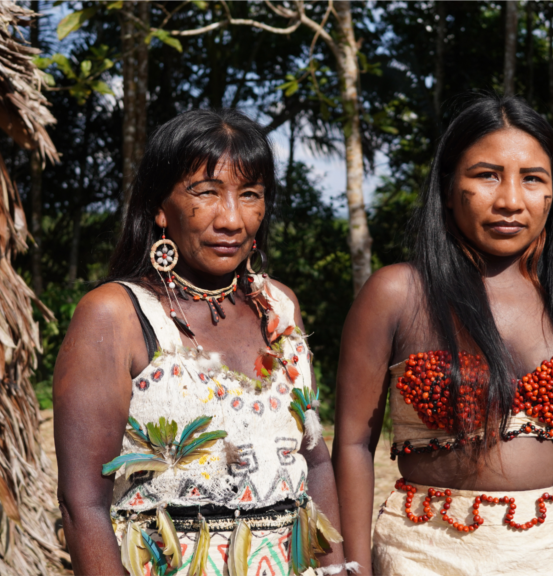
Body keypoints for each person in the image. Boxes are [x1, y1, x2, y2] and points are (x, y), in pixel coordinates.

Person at [331, 94, 553, 575]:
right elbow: (352, 444)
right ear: (448, 183)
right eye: (486, 175)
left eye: (532, 178)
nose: (510, 201)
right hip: (430, 553)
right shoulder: (397, 293)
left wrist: (543, 492)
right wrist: (353, 569)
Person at [54, 109, 350, 576]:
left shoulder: (279, 307)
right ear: (159, 206)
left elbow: (315, 464)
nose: (232, 219)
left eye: (250, 195)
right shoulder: (117, 315)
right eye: (206, 192)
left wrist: (338, 571)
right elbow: (82, 503)